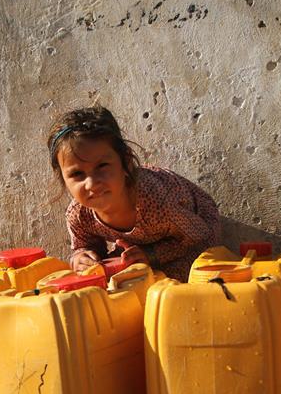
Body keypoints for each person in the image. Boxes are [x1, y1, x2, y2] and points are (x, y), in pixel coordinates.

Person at [47, 105, 220, 282]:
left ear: (126, 162)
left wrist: (152, 255)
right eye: (77, 174)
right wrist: (82, 258)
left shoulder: (157, 202)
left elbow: (198, 235)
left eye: (102, 167)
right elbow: (85, 246)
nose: (91, 184)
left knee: (177, 279)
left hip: (194, 230)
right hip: (142, 243)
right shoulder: (79, 215)